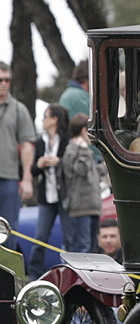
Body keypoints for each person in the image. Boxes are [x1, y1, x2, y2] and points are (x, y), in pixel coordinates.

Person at [28, 105, 70, 278]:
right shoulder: (40, 142)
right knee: (40, 237)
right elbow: (33, 170)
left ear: (55, 119)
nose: (43, 121)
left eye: (45, 117)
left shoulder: (67, 140)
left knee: (69, 239)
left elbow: (73, 166)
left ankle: (69, 274)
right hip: (46, 196)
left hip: (65, 195)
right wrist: (39, 165)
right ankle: (33, 275)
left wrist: (59, 162)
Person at [0, 61, 37, 249]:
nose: (4, 84)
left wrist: (28, 178)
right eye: (0, 80)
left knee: (7, 232)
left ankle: (5, 278)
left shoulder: (18, 109)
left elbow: (27, 145)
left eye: (7, 80)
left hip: (8, 179)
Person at [62, 114, 101, 253]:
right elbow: (82, 170)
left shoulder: (86, 151)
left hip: (92, 206)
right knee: (82, 248)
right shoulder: (72, 150)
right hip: (80, 208)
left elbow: (92, 172)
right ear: (84, 130)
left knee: (92, 248)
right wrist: (84, 150)